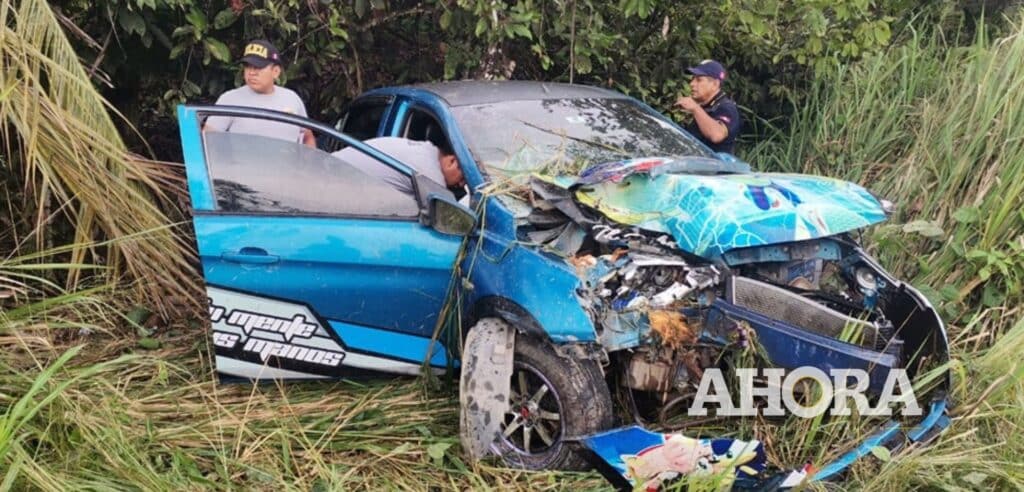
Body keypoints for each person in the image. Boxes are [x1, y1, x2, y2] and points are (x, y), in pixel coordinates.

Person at [204, 40, 315, 147]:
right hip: (243, 166)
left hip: (288, 166)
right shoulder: (230, 100)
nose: (251, 73)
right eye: (248, 66)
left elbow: (307, 136)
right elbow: (208, 140)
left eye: (258, 67)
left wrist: (309, 163)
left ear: (276, 72)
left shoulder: (291, 98)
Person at [332, 137, 465, 197]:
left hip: (326, 168)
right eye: (462, 179)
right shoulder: (430, 173)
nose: (460, 185)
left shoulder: (425, 150)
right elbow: (446, 219)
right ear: (452, 161)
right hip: (328, 186)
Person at [674, 59, 741, 154]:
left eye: (699, 80)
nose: (692, 84)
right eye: (692, 79)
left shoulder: (726, 107)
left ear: (715, 84)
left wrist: (695, 108)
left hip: (714, 168)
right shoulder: (704, 107)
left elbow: (717, 135)